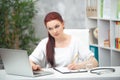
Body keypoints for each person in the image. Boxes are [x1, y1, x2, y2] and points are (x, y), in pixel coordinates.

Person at [29, 11, 98, 71]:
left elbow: (95, 62)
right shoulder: (44, 43)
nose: (54, 31)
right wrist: (33, 66)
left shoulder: (75, 41)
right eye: (50, 29)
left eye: (57, 26)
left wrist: (79, 66)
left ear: (63, 24)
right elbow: (30, 61)